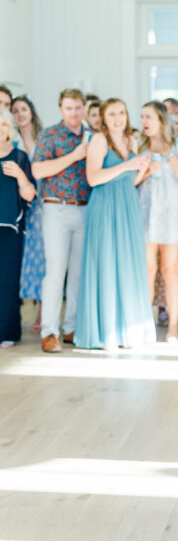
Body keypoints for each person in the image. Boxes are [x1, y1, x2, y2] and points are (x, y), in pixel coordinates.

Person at [75, 100, 155, 351]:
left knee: (128, 265)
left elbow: (130, 181)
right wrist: (128, 165)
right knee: (107, 263)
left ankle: (129, 331)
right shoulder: (99, 140)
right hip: (105, 206)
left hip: (128, 205)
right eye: (112, 114)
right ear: (104, 118)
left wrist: (143, 169)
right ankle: (107, 331)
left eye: (121, 112)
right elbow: (93, 178)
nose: (118, 118)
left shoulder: (133, 141)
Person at [32, 88, 89, 352]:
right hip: (57, 209)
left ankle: (71, 328)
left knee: (79, 272)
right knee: (56, 272)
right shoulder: (49, 135)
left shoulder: (94, 136)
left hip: (87, 209)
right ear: (60, 110)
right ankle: (50, 332)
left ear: (84, 108)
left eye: (78, 107)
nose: (74, 113)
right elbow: (39, 169)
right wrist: (74, 156)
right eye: (69, 108)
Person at [137, 101, 178, 344]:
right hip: (146, 213)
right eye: (142, 117)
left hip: (172, 214)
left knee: (171, 271)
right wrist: (149, 168)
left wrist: (170, 153)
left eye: (148, 117)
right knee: (147, 271)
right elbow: (132, 182)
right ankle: (145, 324)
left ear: (161, 119)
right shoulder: (138, 145)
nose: (144, 122)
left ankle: (173, 326)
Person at [0, 109, 35, 347]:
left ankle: (7, 331)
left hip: (10, 228)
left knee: (8, 280)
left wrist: (21, 176)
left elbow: (30, 194)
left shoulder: (19, 156)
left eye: (3, 124)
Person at [11, 96, 45, 327]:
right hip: (20, 204)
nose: (20, 114)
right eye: (15, 111)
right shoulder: (10, 141)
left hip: (43, 203)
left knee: (43, 258)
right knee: (23, 259)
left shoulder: (43, 139)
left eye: (24, 109)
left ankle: (43, 312)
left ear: (31, 112)